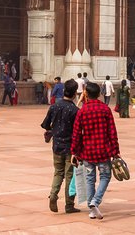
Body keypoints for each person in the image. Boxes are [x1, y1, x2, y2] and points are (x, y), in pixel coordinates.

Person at [71, 81, 121, 220]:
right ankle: (95, 201)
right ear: (99, 94)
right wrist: (115, 150)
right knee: (105, 176)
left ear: (86, 94)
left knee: (90, 179)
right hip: (103, 151)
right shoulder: (105, 109)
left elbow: (76, 134)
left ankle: (91, 208)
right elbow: (112, 131)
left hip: (87, 152)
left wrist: (74, 152)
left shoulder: (82, 111)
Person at [41, 79, 81, 214]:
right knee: (70, 174)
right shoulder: (75, 110)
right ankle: (69, 204)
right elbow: (78, 131)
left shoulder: (54, 106)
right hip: (70, 147)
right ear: (75, 93)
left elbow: (46, 125)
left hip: (57, 145)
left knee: (58, 172)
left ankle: (53, 194)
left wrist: (54, 128)